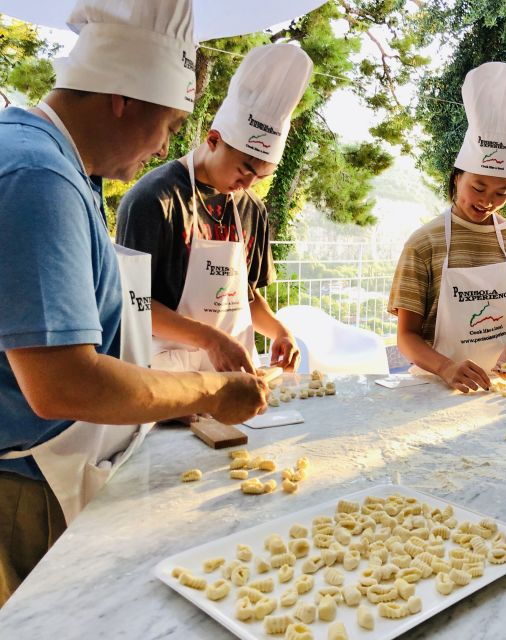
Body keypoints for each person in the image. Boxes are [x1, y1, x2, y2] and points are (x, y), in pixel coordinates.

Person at [0, 0, 267, 605]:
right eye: (170, 125)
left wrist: (155, 402)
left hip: (66, 462)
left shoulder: (65, 167)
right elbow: (62, 383)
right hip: (28, 483)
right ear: (123, 94)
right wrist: (208, 391)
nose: (164, 144)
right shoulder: (38, 176)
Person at [116, 43, 311, 378]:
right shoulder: (154, 200)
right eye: (244, 169)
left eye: (261, 176)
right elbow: (133, 306)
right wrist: (210, 339)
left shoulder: (251, 210)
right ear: (214, 139)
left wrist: (280, 331)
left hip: (235, 375)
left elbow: (244, 297)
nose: (248, 184)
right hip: (165, 375)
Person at [388, 62, 506, 393]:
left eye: (501, 192)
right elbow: (406, 337)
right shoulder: (424, 243)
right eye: (478, 187)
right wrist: (446, 368)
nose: (488, 200)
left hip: (498, 391)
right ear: (458, 177)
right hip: (433, 387)